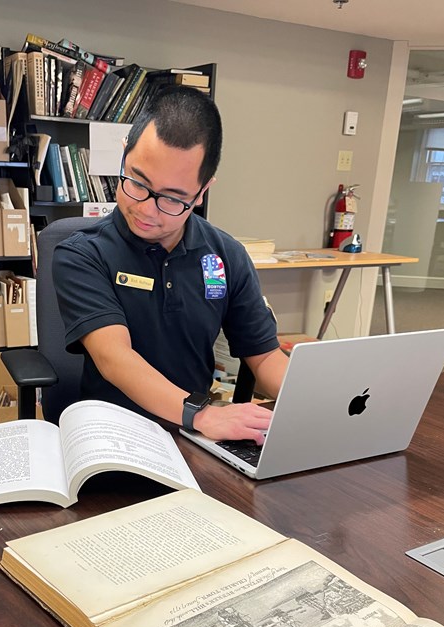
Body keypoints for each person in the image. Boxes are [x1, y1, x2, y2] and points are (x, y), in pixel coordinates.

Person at [52, 85, 289, 442]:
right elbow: (115, 358)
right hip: (113, 435)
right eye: (137, 182)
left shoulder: (226, 255)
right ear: (124, 155)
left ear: (202, 192)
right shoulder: (82, 254)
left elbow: (265, 357)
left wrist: (318, 401)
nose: (148, 210)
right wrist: (202, 414)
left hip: (193, 436)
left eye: (173, 199)